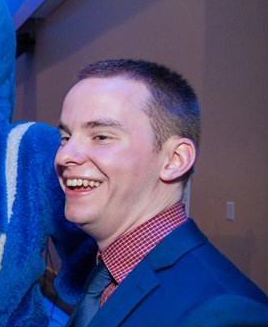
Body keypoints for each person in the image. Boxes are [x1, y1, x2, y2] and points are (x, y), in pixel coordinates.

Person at [56, 59, 268, 327]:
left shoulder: (226, 314)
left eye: (101, 137)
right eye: (65, 138)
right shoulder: (108, 271)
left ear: (174, 160)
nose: (64, 156)